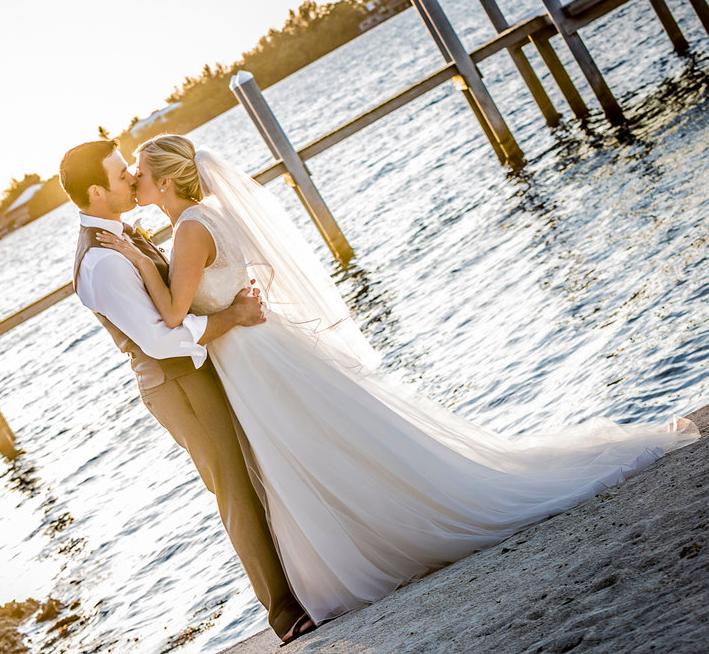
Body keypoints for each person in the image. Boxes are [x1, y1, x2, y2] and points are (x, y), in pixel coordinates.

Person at [96, 133, 700, 624]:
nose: (135, 184)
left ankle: (367, 542)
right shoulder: (203, 218)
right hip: (256, 348)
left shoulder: (189, 230)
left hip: (250, 357)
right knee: (325, 444)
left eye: (141, 177)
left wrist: (130, 260)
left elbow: (173, 315)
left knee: (309, 451)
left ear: (167, 181)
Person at [59, 140, 318, 643]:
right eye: (120, 175)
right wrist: (232, 316)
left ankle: (306, 577)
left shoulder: (119, 238)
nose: (131, 180)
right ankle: (284, 613)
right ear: (96, 191)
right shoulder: (101, 263)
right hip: (176, 382)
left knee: (256, 469)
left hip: (196, 369)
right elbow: (159, 338)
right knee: (234, 487)